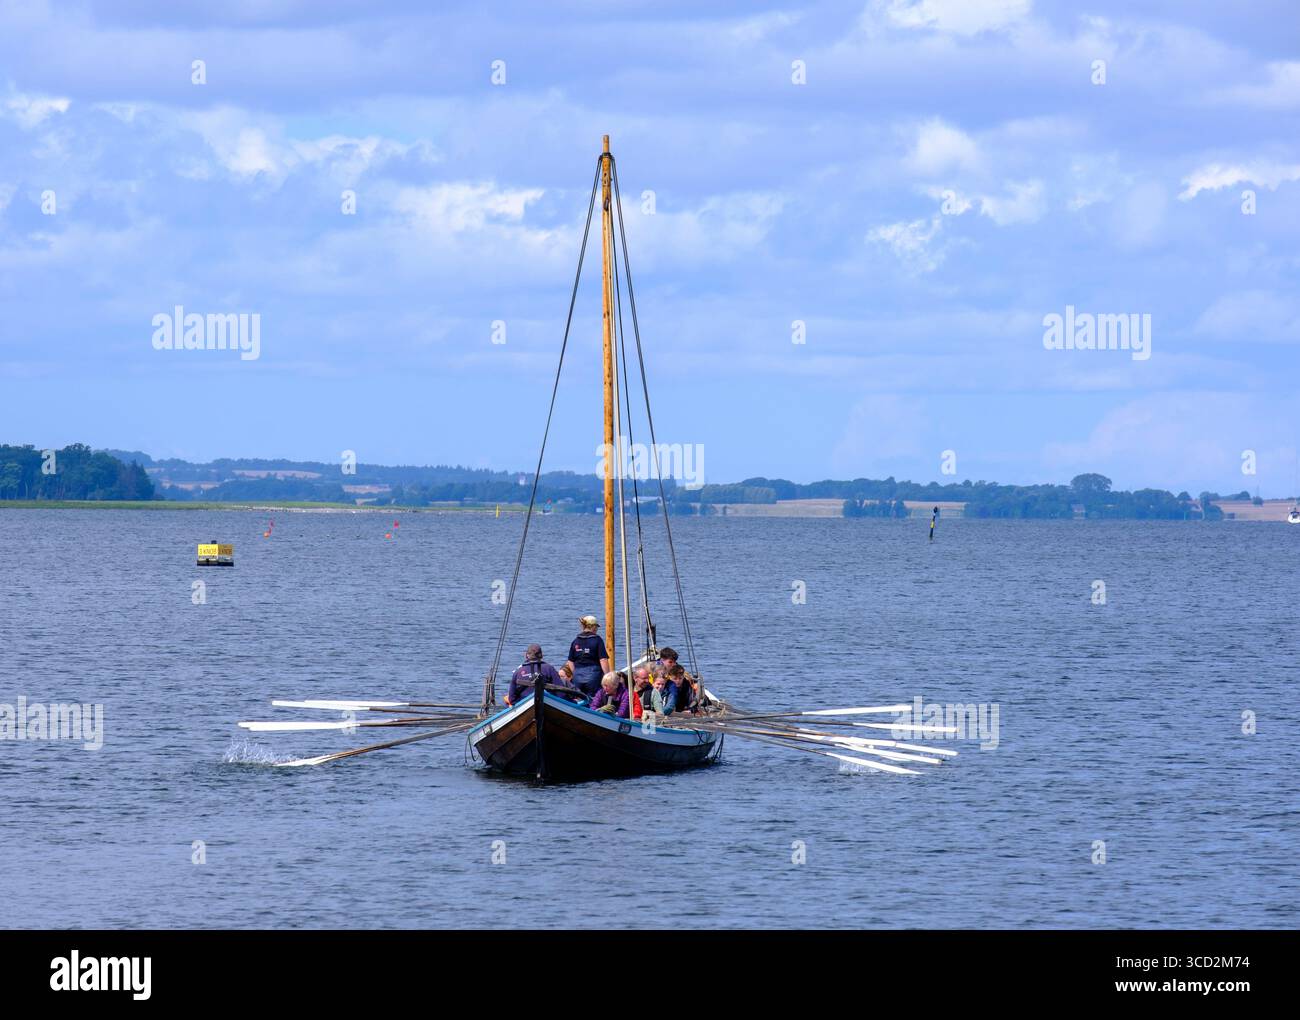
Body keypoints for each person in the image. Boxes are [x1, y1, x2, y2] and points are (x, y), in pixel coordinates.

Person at [564, 615, 611, 698]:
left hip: (577, 676)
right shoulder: (597, 640)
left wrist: (576, 673)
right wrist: (607, 676)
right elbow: (603, 660)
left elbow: (570, 661)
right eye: (596, 627)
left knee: (578, 698)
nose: (597, 629)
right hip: (594, 676)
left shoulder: (575, 641)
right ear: (592, 627)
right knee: (594, 699)